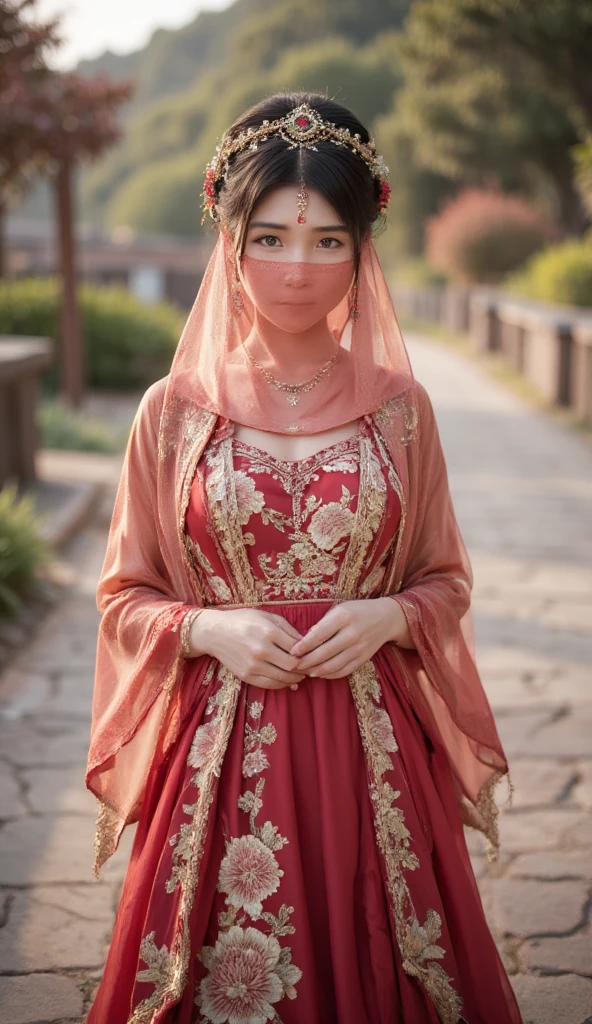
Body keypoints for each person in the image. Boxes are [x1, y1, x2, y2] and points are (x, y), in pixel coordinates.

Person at [85, 93, 523, 1024]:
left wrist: (389, 616)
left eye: (328, 240)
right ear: (228, 240)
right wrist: (206, 628)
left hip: (373, 744)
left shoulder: (402, 408)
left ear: (364, 249)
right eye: (271, 237)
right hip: (219, 744)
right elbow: (124, 593)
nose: (298, 267)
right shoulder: (172, 413)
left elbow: (444, 577)